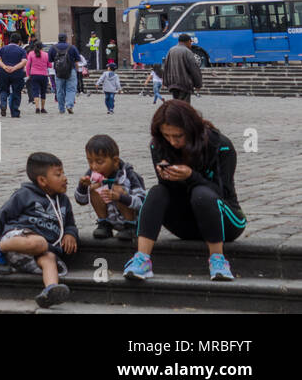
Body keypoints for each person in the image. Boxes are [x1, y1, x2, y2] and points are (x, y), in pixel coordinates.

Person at [123, 100, 245, 283]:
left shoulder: (220, 145)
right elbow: (167, 194)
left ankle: (218, 260)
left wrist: (191, 176)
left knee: (201, 194)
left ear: (191, 130)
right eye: (167, 136)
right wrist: (167, 176)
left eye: (178, 136)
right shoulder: (158, 145)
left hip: (224, 220)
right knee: (156, 192)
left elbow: (222, 194)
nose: (173, 142)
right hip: (185, 224)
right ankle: (142, 259)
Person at [0, 152, 79, 308]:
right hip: (18, 240)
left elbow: (70, 224)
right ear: (42, 180)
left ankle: (50, 290)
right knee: (39, 243)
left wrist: (70, 234)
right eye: (58, 175)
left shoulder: (63, 201)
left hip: (38, 252)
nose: (65, 178)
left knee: (49, 258)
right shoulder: (24, 194)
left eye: (63, 173)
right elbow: (0, 216)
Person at [75, 134, 146, 240]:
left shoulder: (130, 175)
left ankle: (130, 226)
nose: (94, 166)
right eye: (90, 161)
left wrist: (120, 197)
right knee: (94, 188)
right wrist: (83, 186)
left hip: (134, 220)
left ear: (115, 161)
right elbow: (81, 201)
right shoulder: (91, 174)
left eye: (99, 162)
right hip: (111, 218)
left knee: (118, 189)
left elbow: (142, 202)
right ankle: (104, 224)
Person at [159, 33, 202, 103]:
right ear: (188, 42)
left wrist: (165, 81)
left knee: (177, 104)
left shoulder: (171, 50)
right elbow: (194, 69)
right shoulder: (187, 52)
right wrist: (198, 84)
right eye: (190, 42)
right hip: (184, 83)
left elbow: (165, 66)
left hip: (172, 83)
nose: (191, 45)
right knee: (184, 106)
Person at [47, 33, 81, 115]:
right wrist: (77, 70)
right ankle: (69, 105)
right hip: (71, 70)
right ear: (66, 39)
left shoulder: (53, 48)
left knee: (59, 90)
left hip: (58, 71)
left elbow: (50, 60)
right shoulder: (72, 47)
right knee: (71, 89)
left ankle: (61, 109)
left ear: (58, 39)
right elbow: (77, 60)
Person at [0, 33, 27, 118]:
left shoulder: (3, 49)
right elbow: (24, 61)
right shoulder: (21, 50)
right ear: (19, 42)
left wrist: (4, 66)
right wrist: (14, 68)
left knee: (3, 90)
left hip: (4, 72)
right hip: (17, 73)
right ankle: (15, 112)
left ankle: (3, 103)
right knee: (16, 92)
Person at [24, 40, 50, 115]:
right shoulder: (46, 54)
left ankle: (37, 108)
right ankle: (43, 108)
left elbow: (28, 65)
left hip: (34, 75)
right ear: (42, 47)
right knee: (43, 92)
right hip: (44, 75)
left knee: (35, 91)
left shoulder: (31, 54)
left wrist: (28, 74)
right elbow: (50, 65)